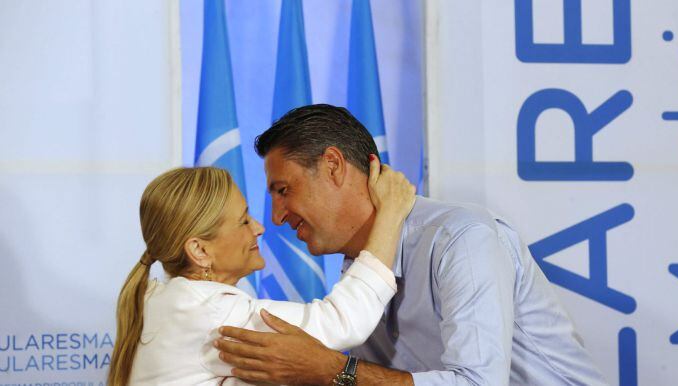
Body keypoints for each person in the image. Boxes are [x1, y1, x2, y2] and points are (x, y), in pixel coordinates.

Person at [214, 104, 608, 385]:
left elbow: (478, 383)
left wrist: (331, 370)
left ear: (333, 166)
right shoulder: (360, 271)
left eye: (284, 190)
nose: (276, 217)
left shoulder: (460, 238)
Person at [107, 161, 415, 386]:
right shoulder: (213, 313)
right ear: (199, 250)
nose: (259, 228)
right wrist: (390, 213)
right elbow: (342, 321)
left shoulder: (171, 302)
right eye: (243, 221)